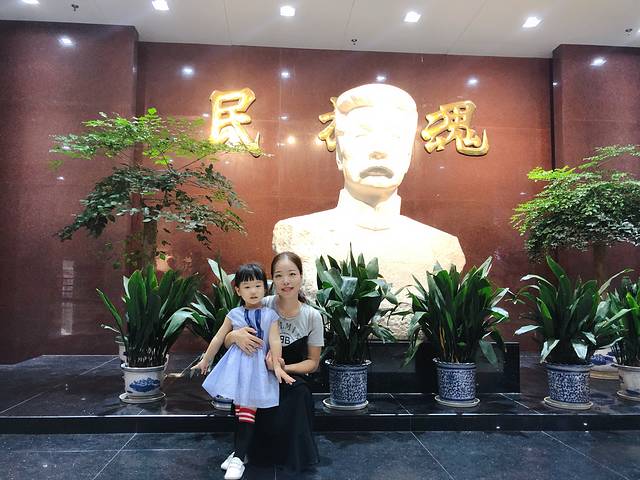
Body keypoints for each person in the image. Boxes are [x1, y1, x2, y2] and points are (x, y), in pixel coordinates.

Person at [272, 84, 466, 326]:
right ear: (339, 154)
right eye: (361, 136)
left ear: (408, 155)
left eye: (394, 137)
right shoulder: (296, 234)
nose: (378, 150)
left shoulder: (442, 247)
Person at [192, 263, 295, 480]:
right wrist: (206, 360)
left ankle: (238, 459)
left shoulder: (270, 315)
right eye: (247, 287)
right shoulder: (234, 314)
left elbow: (275, 341)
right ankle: (239, 453)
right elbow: (219, 337)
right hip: (237, 370)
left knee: (247, 412)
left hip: (257, 372)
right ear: (238, 290)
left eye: (258, 285)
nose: (253, 291)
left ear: (265, 288)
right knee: (240, 413)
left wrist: (277, 365)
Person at [224, 251, 324, 472]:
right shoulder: (262, 303)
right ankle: (243, 450)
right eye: (279, 275)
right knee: (246, 388)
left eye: (292, 274)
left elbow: (313, 363)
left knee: (299, 393)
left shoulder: (312, 316)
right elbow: (227, 339)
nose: (286, 281)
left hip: (291, 374)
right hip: (257, 373)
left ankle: (292, 452)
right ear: (272, 280)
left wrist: (281, 367)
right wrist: (235, 336)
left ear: (301, 276)